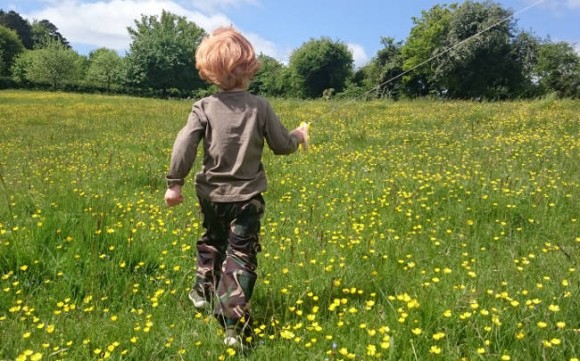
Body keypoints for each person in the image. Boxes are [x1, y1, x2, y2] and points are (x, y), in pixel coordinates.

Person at [164, 26, 308, 348]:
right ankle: (234, 327)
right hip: (246, 200)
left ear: (209, 71)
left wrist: (175, 184)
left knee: (211, 241)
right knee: (241, 256)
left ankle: (203, 291)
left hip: (210, 196)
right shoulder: (260, 106)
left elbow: (184, 143)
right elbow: (283, 145)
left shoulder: (203, 106)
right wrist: (298, 135)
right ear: (249, 66)